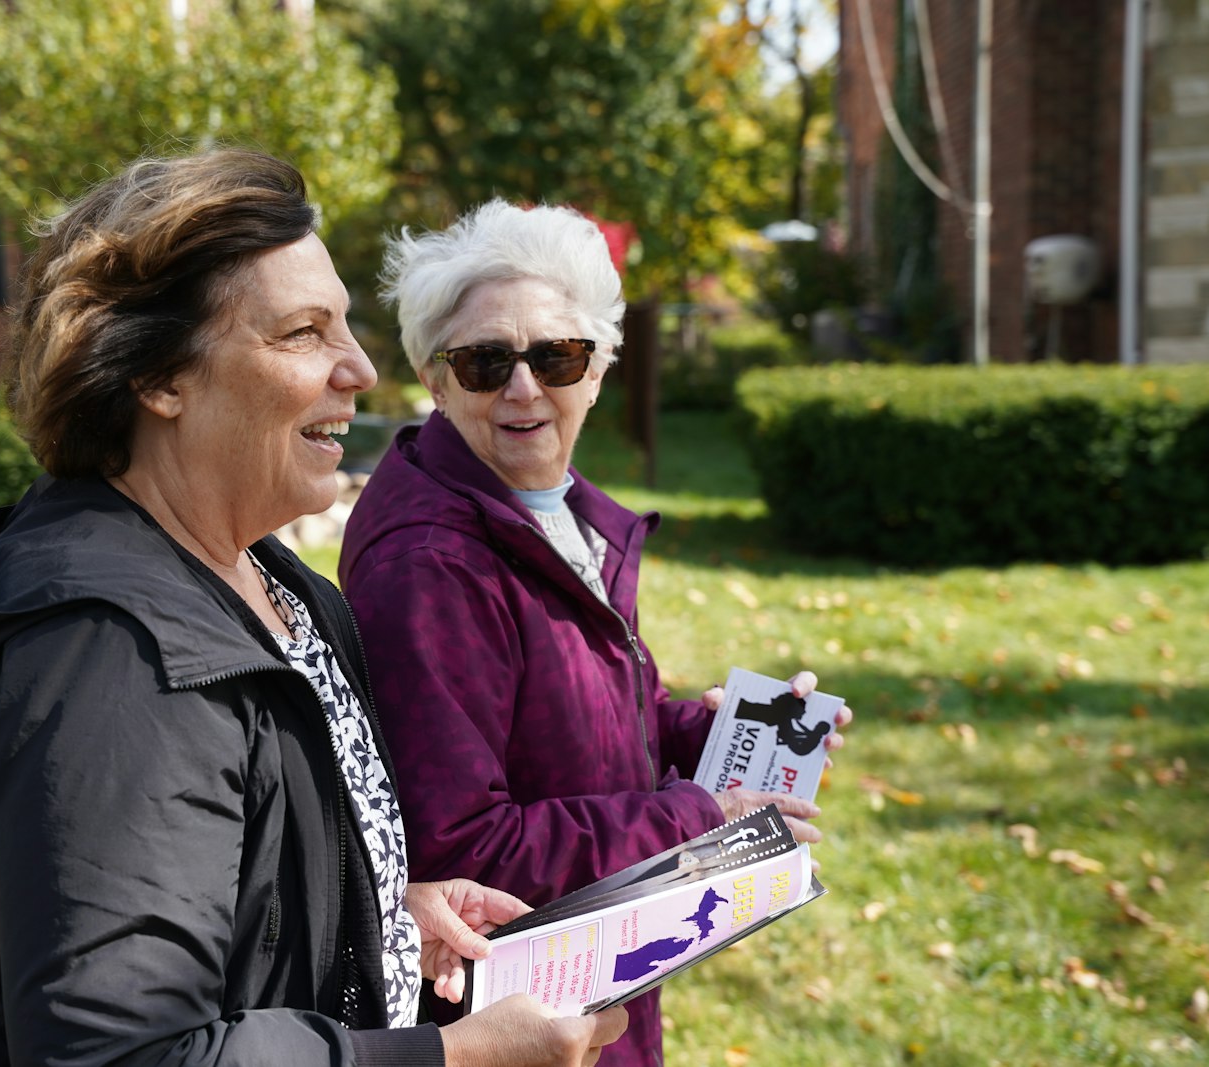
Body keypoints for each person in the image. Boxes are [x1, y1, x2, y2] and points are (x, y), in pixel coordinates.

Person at [0, 152, 628, 1067]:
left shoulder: (275, 585)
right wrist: (453, 1056)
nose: (359, 368)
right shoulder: (111, 657)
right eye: (302, 333)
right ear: (160, 377)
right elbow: (123, 1054)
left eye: (348, 327)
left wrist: (378, 914)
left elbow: (226, 890)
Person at [337, 200, 853, 1066]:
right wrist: (698, 816)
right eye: (484, 361)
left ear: (599, 368)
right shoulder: (430, 565)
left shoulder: (557, 513)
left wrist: (717, 733)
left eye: (557, 355)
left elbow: (575, 714)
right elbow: (463, 849)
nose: (524, 387)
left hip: (595, 995)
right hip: (513, 1021)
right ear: (435, 378)